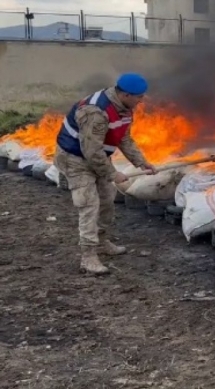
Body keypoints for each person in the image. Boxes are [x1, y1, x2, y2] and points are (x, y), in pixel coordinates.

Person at [54, 73, 157, 275]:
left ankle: (102, 241)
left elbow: (124, 138)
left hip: (96, 157)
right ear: (126, 94)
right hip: (75, 159)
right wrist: (112, 173)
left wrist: (141, 162)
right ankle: (89, 256)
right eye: (139, 97)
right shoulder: (96, 111)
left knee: (107, 199)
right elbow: (91, 150)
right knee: (88, 204)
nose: (141, 100)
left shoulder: (125, 108)